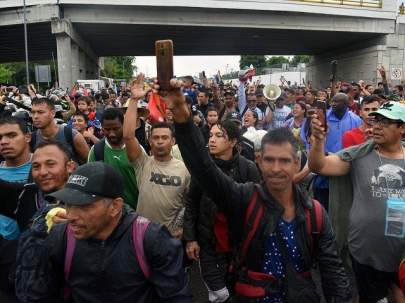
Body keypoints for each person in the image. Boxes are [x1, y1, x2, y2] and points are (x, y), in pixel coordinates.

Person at [158, 75, 351, 303]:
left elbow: (333, 273)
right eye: (269, 160)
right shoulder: (244, 198)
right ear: (258, 161)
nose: (277, 169)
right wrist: (182, 114)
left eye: (285, 161)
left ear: (297, 163)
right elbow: (204, 168)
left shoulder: (316, 214)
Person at [17, 161, 191, 303]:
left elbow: (175, 296)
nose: (71, 215)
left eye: (84, 206)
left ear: (115, 206)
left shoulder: (151, 239)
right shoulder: (61, 237)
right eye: (68, 204)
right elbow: (39, 293)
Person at [308, 101, 405, 303]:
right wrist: (318, 141)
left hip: (401, 254)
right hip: (366, 251)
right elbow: (320, 166)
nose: (377, 126)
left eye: (386, 122)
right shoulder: (359, 155)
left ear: (402, 128)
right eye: (376, 120)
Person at [184, 120, 260, 303]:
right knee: (219, 295)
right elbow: (191, 202)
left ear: (233, 142)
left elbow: (258, 205)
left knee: (238, 290)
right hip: (209, 243)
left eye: (219, 136)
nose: (212, 140)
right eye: (210, 135)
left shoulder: (247, 168)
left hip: (238, 244)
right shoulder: (203, 169)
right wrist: (191, 238)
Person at [123, 77, 190, 237]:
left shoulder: (184, 169)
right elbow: (127, 136)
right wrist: (133, 100)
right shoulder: (142, 162)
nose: (160, 141)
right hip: (141, 235)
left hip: (170, 238)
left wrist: (185, 231)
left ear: (173, 141)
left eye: (164, 138)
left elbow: (191, 204)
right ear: (149, 141)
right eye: (156, 137)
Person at [0, 117, 32, 295]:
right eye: (0, 137)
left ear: (27, 137)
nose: (4, 141)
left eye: (11, 135)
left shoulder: (44, 169)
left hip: (34, 260)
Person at [88, 108, 139, 210]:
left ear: (123, 126)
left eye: (116, 129)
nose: (111, 134)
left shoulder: (136, 148)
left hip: (137, 209)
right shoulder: (96, 150)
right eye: (107, 129)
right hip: (109, 212)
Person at [30, 97, 89, 163]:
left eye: (40, 112)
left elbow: (89, 162)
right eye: (33, 112)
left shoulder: (72, 135)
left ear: (53, 113)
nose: (35, 116)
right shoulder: (32, 139)